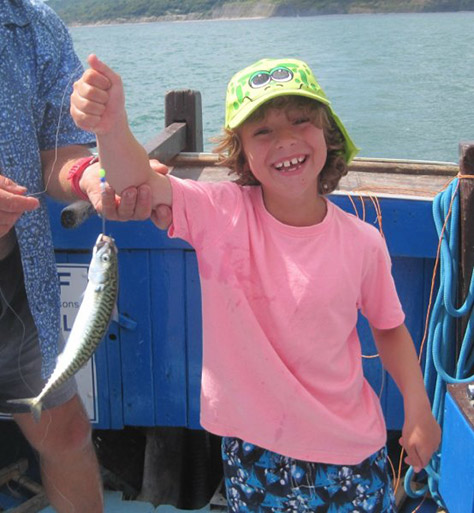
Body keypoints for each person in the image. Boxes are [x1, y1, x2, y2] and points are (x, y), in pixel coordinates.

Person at [71, 54, 441, 512]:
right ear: (241, 151)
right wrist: (111, 125)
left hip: (349, 455)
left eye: (301, 121)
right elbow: (133, 183)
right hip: (251, 454)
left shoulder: (363, 243)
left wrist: (418, 406)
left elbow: (389, 328)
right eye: (262, 131)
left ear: (327, 134)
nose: (285, 140)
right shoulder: (219, 213)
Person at [0, 1, 166, 512]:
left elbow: (61, 152)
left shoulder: (30, 23)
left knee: (65, 432)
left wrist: (93, 178)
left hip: (16, 279)